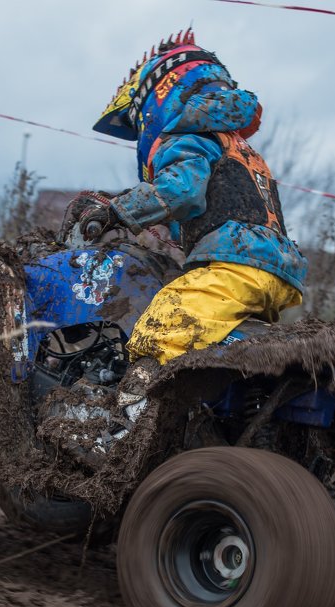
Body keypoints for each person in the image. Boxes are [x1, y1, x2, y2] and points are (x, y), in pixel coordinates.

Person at [59, 29, 308, 442]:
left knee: (157, 332)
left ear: (156, 98)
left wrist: (116, 212)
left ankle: (121, 440)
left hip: (235, 268)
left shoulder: (186, 133)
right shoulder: (234, 143)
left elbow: (181, 190)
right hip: (272, 274)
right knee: (197, 341)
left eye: (139, 121)